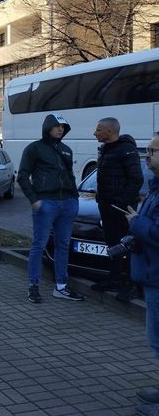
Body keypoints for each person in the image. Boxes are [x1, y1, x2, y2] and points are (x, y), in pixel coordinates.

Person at [17, 114, 84, 303]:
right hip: (46, 204)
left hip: (68, 204)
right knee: (39, 245)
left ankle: (61, 286)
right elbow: (22, 176)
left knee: (63, 245)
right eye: (56, 126)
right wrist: (34, 200)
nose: (60, 129)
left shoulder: (66, 150)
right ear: (48, 127)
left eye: (63, 126)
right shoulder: (34, 149)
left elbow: (70, 176)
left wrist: (75, 199)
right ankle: (33, 286)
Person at [92, 117, 144, 302]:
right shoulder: (105, 150)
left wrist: (121, 202)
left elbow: (136, 179)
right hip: (107, 207)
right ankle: (114, 279)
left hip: (122, 209)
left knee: (127, 246)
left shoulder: (126, 149)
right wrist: (102, 198)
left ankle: (131, 285)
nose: (95, 133)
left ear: (110, 131)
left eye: (98, 130)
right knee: (112, 244)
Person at [127, 136, 159, 415]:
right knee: (155, 339)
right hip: (152, 274)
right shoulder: (156, 188)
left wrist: (136, 222)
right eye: (148, 150)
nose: (147, 156)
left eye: (153, 151)